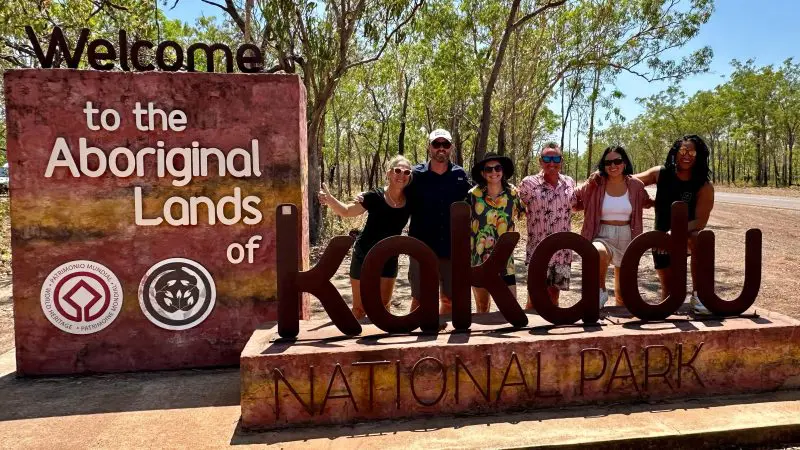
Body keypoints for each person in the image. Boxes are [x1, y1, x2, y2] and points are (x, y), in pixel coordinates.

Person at [318, 155, 413, 319]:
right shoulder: (374, 196)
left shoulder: (410, 200)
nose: (401, 175)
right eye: (397, 170)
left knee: (384, 305)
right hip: (364, 254)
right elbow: (347, 211)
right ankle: (355, 343)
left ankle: (383, 344)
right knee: (359, 309)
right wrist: (330, 200)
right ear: (389, 173)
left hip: (389, 257)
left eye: (406, 172)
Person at [635, 134, 715, 314]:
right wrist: (644, 197)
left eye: (693, 152)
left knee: (699, 239)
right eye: (683, 150)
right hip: (661, 237)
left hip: (687, 236)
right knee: (670, 294)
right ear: (675, 152)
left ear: (699, 156)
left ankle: (699, 296)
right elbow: (630, 181)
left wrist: (677, 232)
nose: (687, 155)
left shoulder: (704, 186)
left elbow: (700, 221)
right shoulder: (660, 173)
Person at [574, 146, 651, 308]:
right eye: (608, 162)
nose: (613, 165)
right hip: (603, 234)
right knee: (597, 252)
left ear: (624, 163)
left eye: (617, 161)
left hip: (628, 236)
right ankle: (600, 292)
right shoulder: (596, 183)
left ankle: (620, 319)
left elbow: (647, 202)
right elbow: (575, 196)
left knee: (623, 294)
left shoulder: (636, 185)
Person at [406, 129, 472, 314]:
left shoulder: (460, 175)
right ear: (429, 147)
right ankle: (414, 339)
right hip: (421, 245)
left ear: (450, 148)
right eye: (436, 144)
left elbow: (476, 197)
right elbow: (396, 189)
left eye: (445, 144)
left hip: (450, 247)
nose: (441, 148)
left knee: (449, 299)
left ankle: (443, 337)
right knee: (419, 298)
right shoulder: (415, 175)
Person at [518, 143, 575, 307]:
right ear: (540, 161)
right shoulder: (528, 184)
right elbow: (515, 205)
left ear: (561, 160)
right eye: (547, 158)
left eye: (556, 158)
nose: (552, 162)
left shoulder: (569, 183)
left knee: (554, 298)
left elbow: (577, 204)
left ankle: (553, 329)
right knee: (534, 298)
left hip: (561, 253)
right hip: (538, 252)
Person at [467, 152, 525, 313]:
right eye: (489, 169)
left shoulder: (513, 194)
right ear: (482, 173)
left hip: (505, 259)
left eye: (497, 168)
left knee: (510, 306)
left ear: (503, 170)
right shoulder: (473, 195)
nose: (494, 172)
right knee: (482, 307)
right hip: (479, 258)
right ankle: (483, 339)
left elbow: (523, 214)